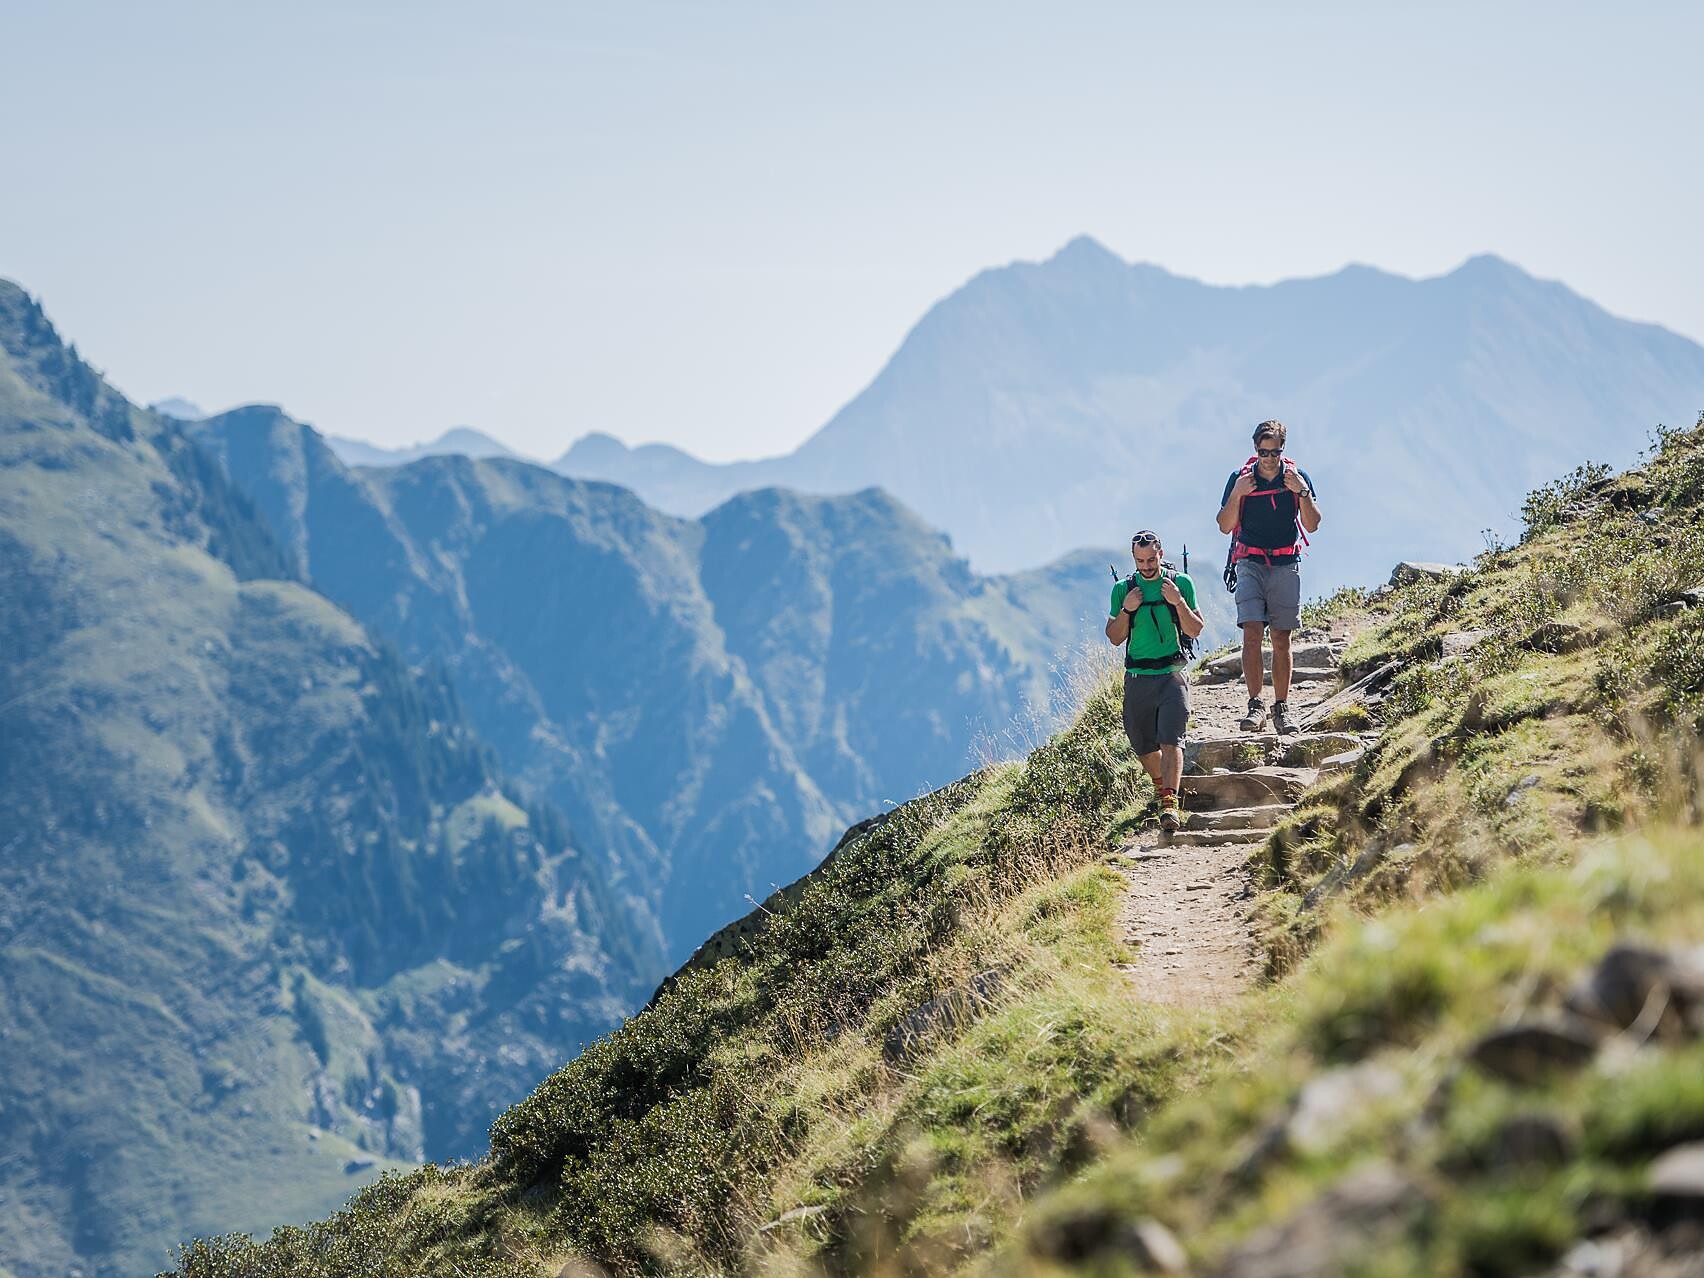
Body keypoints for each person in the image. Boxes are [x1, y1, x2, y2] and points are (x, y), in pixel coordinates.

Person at [1215, 420, 1322, 735]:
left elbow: (1313, 524)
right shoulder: (1240, 479)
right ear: (1255, 449)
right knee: (1251, 631)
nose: (1270, 458)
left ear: (1282, 449)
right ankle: (1255, 704)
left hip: (1285, 562)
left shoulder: (1296, 479)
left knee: (1281, 638)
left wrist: (1301, 491)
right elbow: (1224, 524)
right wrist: (1237, 493)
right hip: (1249, 561)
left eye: (1275, 452)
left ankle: (1282, 707)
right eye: (1264, 452)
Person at [1106, 530, 1205, 833]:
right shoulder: (1124, 589)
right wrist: (1127, 609)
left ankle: (1170, 804)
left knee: (1171, 738)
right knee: (1143, 743)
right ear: (1133, 559)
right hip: (1138, 677)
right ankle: (1163, 787)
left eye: (1151, 559)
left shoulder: (1180, 584)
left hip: (1173, 674)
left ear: (1161, 554)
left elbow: (1196, 628)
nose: (1146, 566)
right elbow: (1114, 637)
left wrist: (1177, 602)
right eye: (1140, 561)